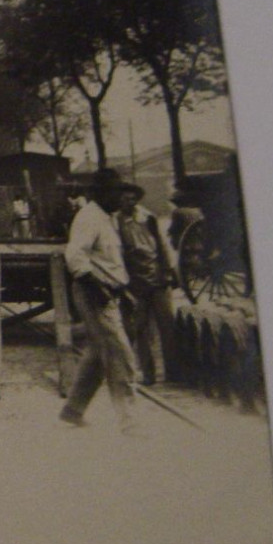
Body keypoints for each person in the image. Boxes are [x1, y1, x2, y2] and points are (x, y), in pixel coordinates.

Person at [59, 169, 142, 431]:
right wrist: (96, 287)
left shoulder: (107, 218)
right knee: (120, 355)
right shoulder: (89, 217)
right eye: (116, 192)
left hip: (108, 291)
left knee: (97, 355)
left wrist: (124, 290)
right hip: (94, 292)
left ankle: (73, 410)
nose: (121, 198)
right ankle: (130, 422)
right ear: (101, 193)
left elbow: (109, 263)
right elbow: (75, 256)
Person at [114, 182, 177, 386]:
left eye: (132, 199)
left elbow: (162, 244)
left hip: (157, 277)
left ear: (137, 199)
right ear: (119, 200)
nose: (129, 202)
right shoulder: (115, 221)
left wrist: (169, 269)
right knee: (140, 329)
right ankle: (148, 374)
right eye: (125, 199)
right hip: (134, 281)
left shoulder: (147, 217)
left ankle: (174, 372)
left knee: (166, 325)